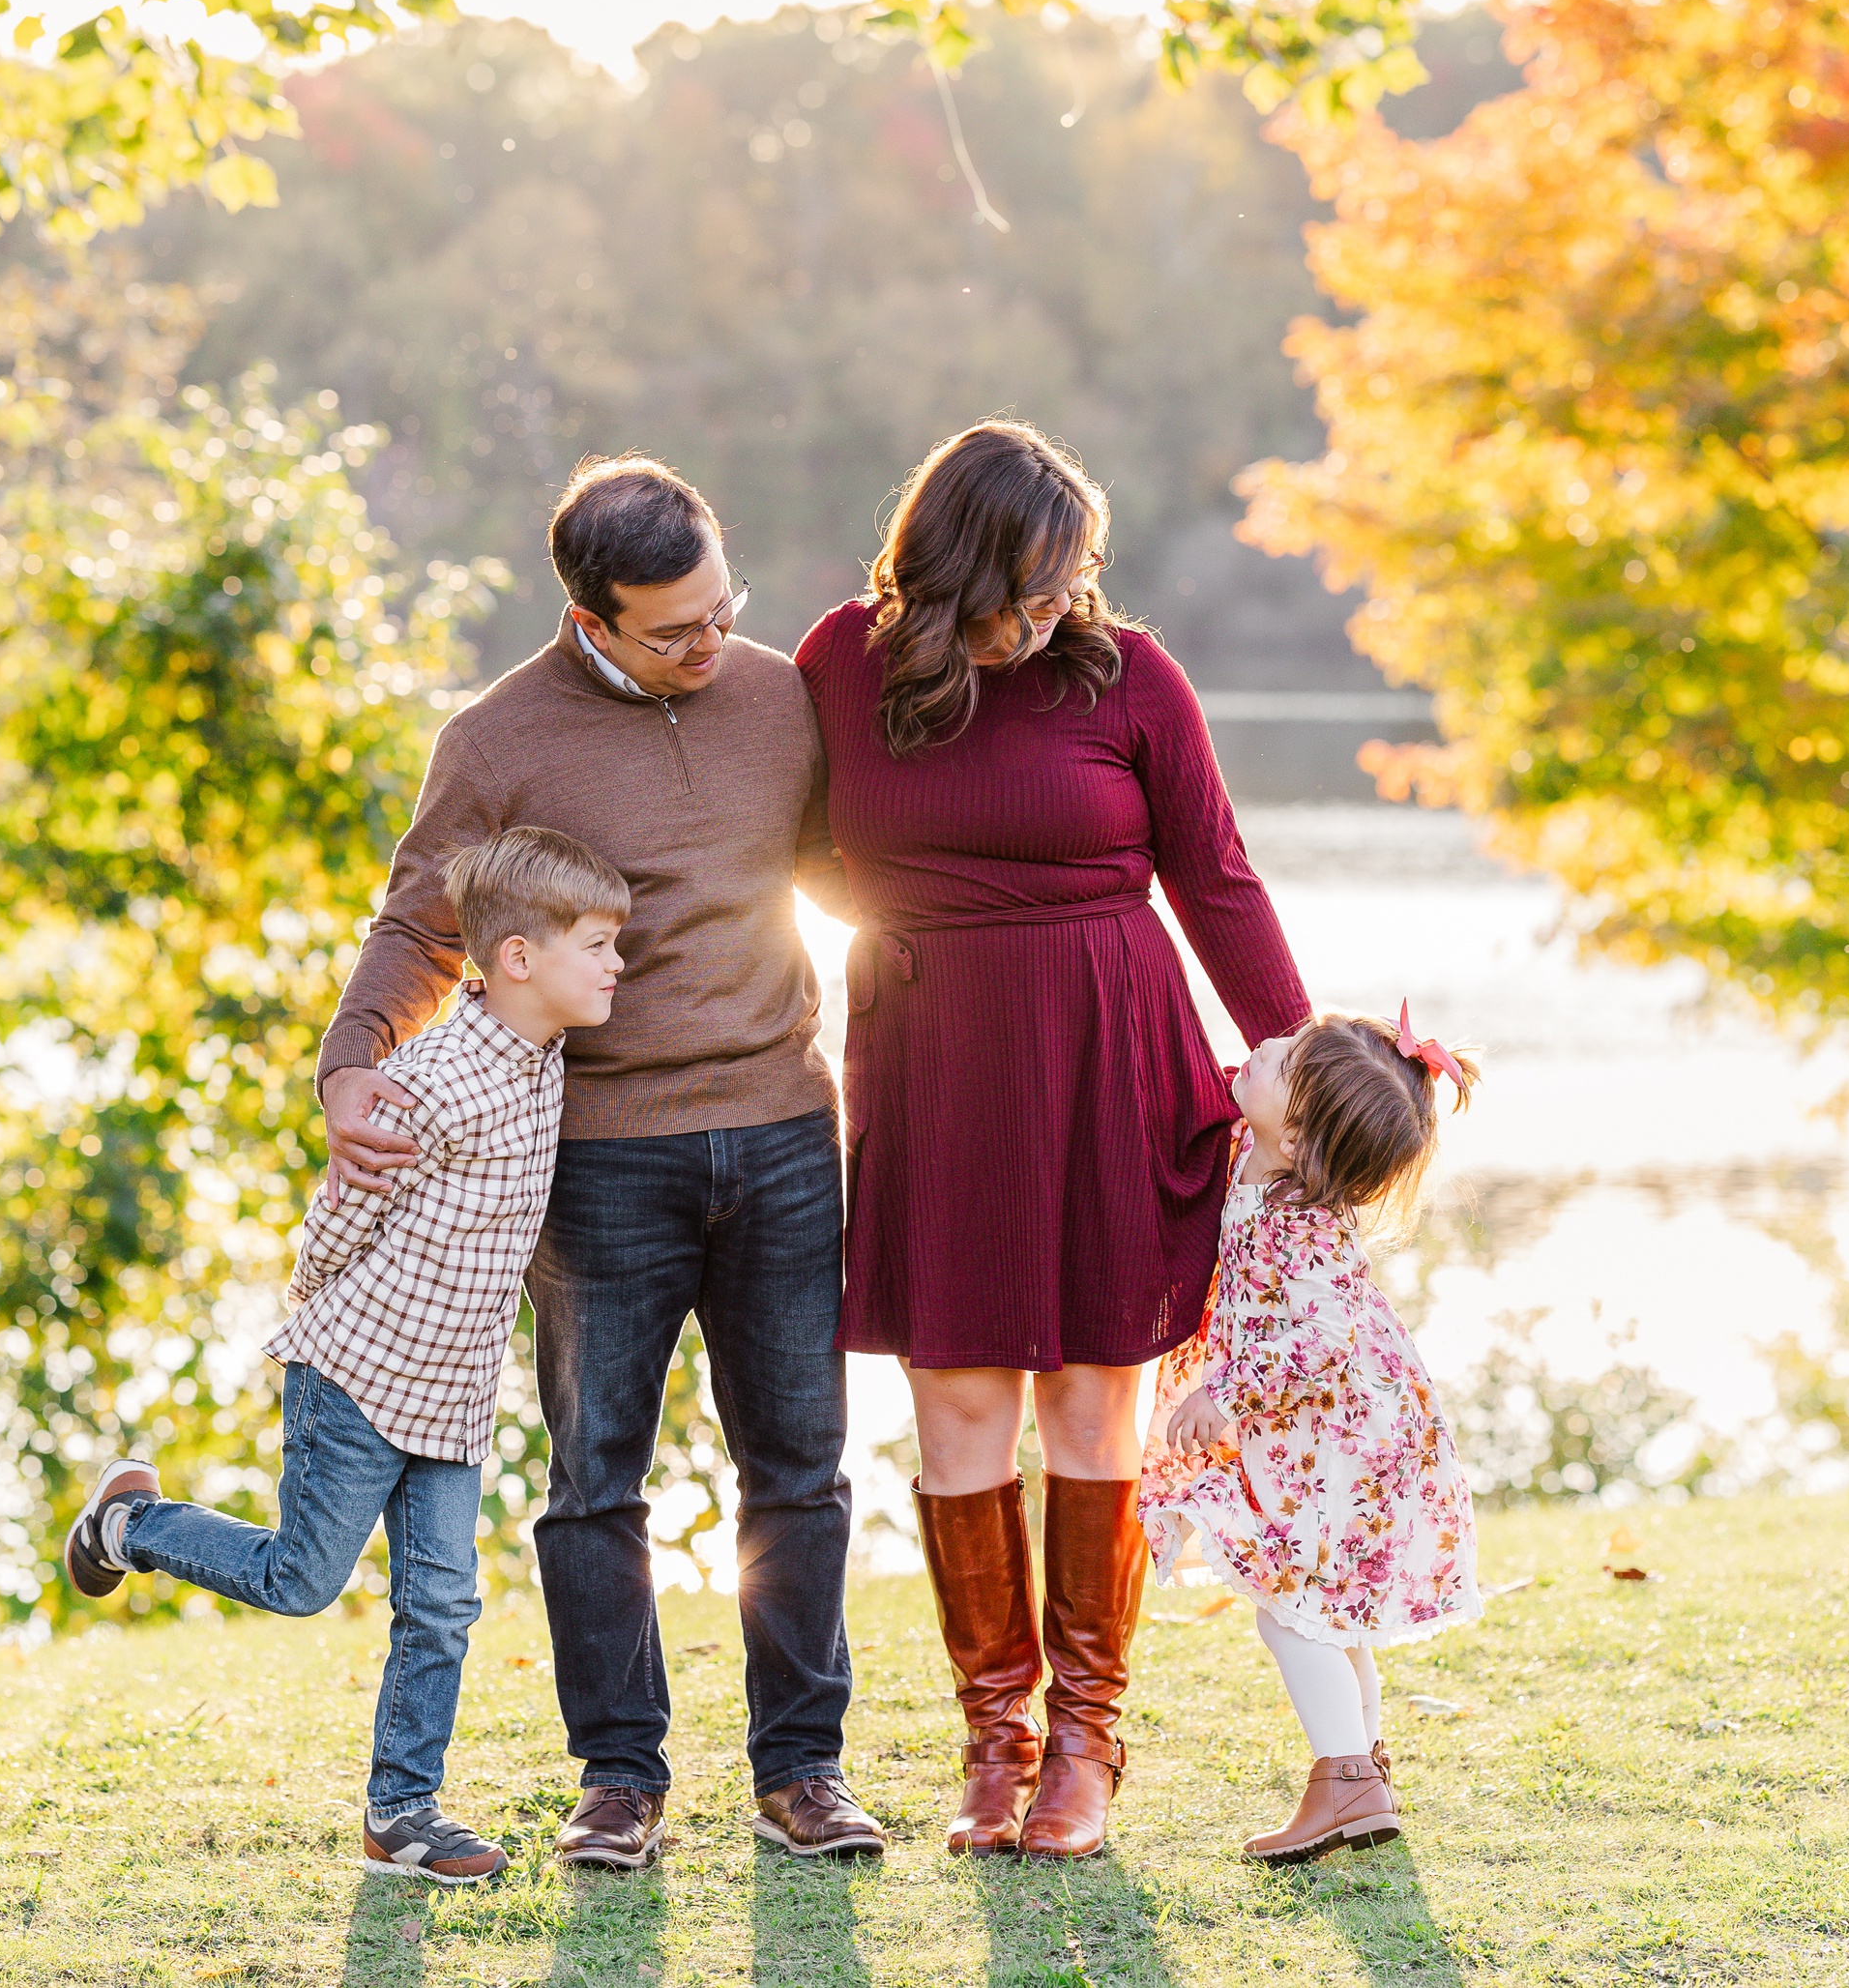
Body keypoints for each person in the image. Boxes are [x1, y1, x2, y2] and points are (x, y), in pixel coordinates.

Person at [315, 455, 883, 1869]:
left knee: (800, 1469)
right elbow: (420, 927)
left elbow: (859, 868)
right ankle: (620, 1777)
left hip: (782, 1132)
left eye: (719, 607)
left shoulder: (775, 693)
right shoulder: (501, 739)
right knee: (595, 1478)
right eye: (673, 629)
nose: (712, 645)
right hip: (602, 1160)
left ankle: (801, 1770)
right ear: (588, 619)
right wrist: (353, 1058)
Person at [794, 419, 1312, 1860]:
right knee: (956, 1399)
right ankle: (994, 1736)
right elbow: (792, 838)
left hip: (1111, 1049)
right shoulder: (843, 660)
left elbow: (1215, 874)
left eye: (1072, 584)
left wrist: (1300, 1058)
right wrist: (922, 922)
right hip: (935, 1058)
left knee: (1095, 1398)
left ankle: (1086, 1742)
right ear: (948, 571)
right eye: (1026, 590)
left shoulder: (1129, 674)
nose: (1051, 615)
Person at [60, 828, 631, 1886]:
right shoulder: (432, 1079)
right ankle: (129, 1521)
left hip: (453, 1390)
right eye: (596, 944)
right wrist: (315, 1308)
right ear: (515, 958)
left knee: (444, 1602)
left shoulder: (546, 1055)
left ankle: (401, 1812)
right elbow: (340, 1218)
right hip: (360, 1373)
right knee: (300, 1577)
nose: (615, 965)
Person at [1139, 1007, 1484, 1866]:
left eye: (1284, 1060)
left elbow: (1323, 1336)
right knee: (1326, 1613)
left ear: (1297, 1139)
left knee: (1293, 1614)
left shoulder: (1297, 1213)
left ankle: (1347, 1779)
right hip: (1330, 1439)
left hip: (1343, 1443)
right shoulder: (1259, 1155)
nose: (1263, 1046)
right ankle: (1364, 1773)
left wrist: (1227, 1390)